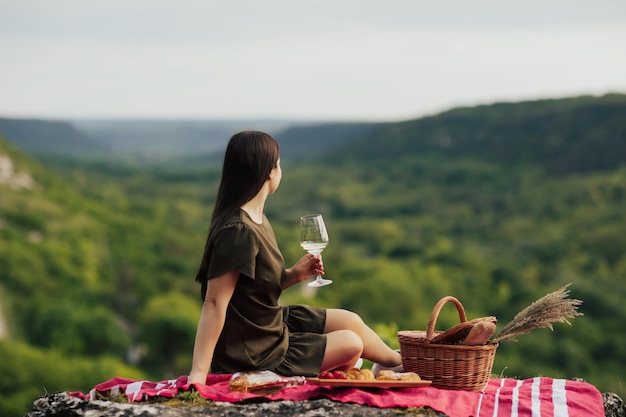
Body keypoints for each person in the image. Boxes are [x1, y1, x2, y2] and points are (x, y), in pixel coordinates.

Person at [187, 130, 402, 385]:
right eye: (279, 163)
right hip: (255, 349)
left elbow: (251, 290)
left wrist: (292, 276)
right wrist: (198, 374)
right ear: (270, 171)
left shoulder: (257, 219)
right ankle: (393, 366)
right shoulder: (238, 231)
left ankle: (397, 362)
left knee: (351, 321)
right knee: (352, 343)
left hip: (269, 324)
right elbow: (214, 303)